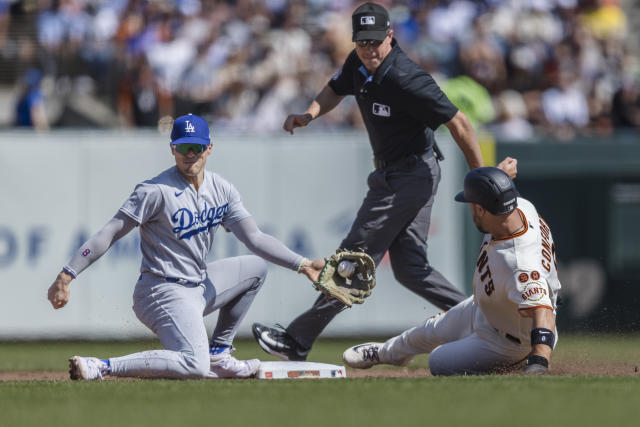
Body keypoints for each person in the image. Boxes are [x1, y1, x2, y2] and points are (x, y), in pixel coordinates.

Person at [252, 2, 517, 361]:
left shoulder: (406, 77)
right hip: (399, 173)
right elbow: (334, 89)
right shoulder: (358, 64)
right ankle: (491, 325)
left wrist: (480, 178)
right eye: (363, 42)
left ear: (390, 36)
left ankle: (297, 340)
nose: (370, 49)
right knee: (410, 270)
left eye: (376, 41)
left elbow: (460, 124)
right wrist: (309, 114)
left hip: (409, 174)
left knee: (353, 260)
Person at [47, 114, 325, 380]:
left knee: (256, 268)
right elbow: (109, 233)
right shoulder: (155, 191)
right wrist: (66, 275)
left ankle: (220, 352)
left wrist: (302, 264)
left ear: (209, 148)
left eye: (197, 147)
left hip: (198, 285)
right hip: (160, 290)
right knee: (193, 363)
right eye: (183, 148)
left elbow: (255, 238)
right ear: (173, 149)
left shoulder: (222, 189)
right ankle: (102, 366)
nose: (190, 154)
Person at [342, 167, 560, 375]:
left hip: (509, 342)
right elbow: (501, 191)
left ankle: (511, 365)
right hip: (487, 309)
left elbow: (544, 312)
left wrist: (539, 358)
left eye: (471, 204)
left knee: (438, 361)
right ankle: (386, 353)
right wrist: (499, 175)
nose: (470, 208)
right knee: (429, 329)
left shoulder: (520, 264)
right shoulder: (520, 207)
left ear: (482, 209)